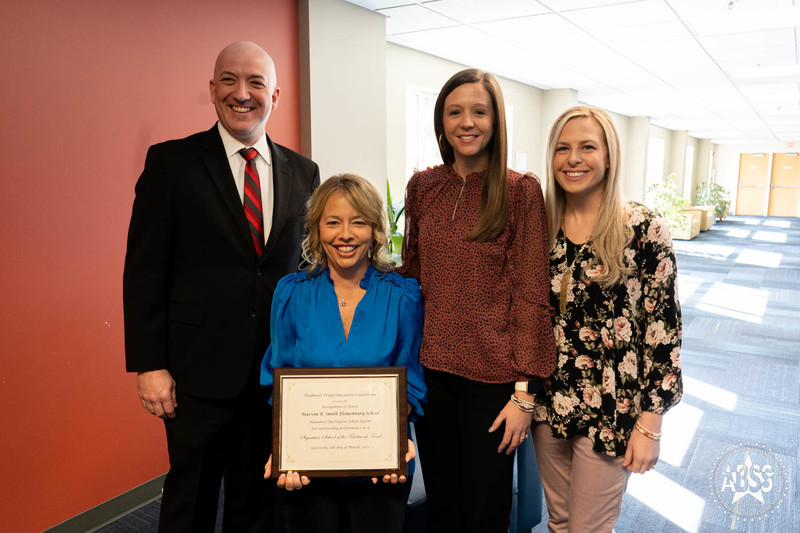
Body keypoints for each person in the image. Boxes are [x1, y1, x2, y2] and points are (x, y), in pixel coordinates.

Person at [123, 41, 320, 532]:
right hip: (195, 378)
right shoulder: (172, 164)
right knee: (189, 502)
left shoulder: (304, 171)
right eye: (229, 80)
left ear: (275, 96)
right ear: (212, 90)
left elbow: (305, 270)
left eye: (256, 83)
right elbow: (144, 271)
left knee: (254, 505)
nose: (242, 93)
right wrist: (150, 365)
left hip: (271, 377)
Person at [397, 68, 556, 532]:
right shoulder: (423, 188)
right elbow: (412, 278)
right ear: (441, 122)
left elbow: (532, 292)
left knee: (485, 511)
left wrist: (525, 395)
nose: (467, 122)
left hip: (493, 380)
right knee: (444, 506)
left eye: (479, 111)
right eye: (455, 111)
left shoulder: (520, 190)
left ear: (495, 120)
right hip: (433, 375)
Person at [532, 106, 683, 532]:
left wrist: (652, 422)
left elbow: (664, 331)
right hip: (551, 405)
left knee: (589, 528)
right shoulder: (541, 228)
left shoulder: (642, 227)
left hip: (612, 408)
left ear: (609, 156)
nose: (573, 159)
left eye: (587, 147)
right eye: (562, 148)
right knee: (560, 523)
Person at [260, 173, 426, 533]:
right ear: (317, 228)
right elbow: (279, 377)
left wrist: (395, 438)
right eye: (333, 222)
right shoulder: (290, 294)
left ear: (375, 229)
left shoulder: (402, 297)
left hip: (383, 467)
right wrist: (284, 447)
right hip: (306, 465)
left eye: (358, 222)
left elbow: (411, 383)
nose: (345, 235)